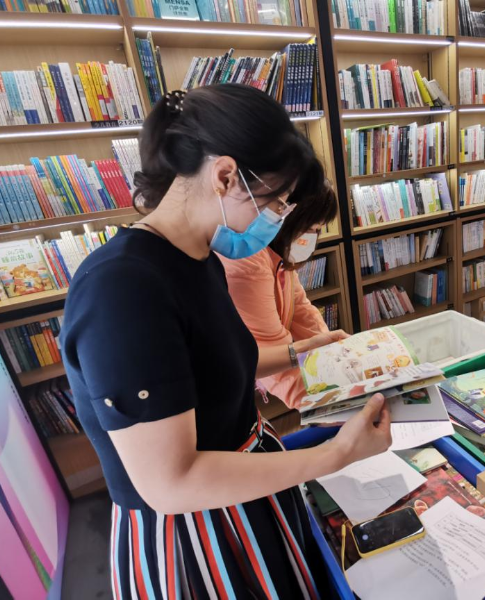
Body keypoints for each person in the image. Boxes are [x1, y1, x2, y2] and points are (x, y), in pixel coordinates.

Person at [60, 84, 392, 599]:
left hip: (245, 490)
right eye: (276, 201)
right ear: (224, 176)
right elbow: (171, 483)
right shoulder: (122, 289)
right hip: (196, 532)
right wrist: (335, 455)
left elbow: (209, 367)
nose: (279, 218)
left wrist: (301, 352)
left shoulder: (199, 257)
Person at [219, 182, 340, 408]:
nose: (313, 237)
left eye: (318, 230)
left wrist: (336, 357)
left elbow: (302, 312)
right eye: (312, 228)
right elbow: (274, 355)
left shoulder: (278, 256)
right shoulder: (247, 261)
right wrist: (327, 404)